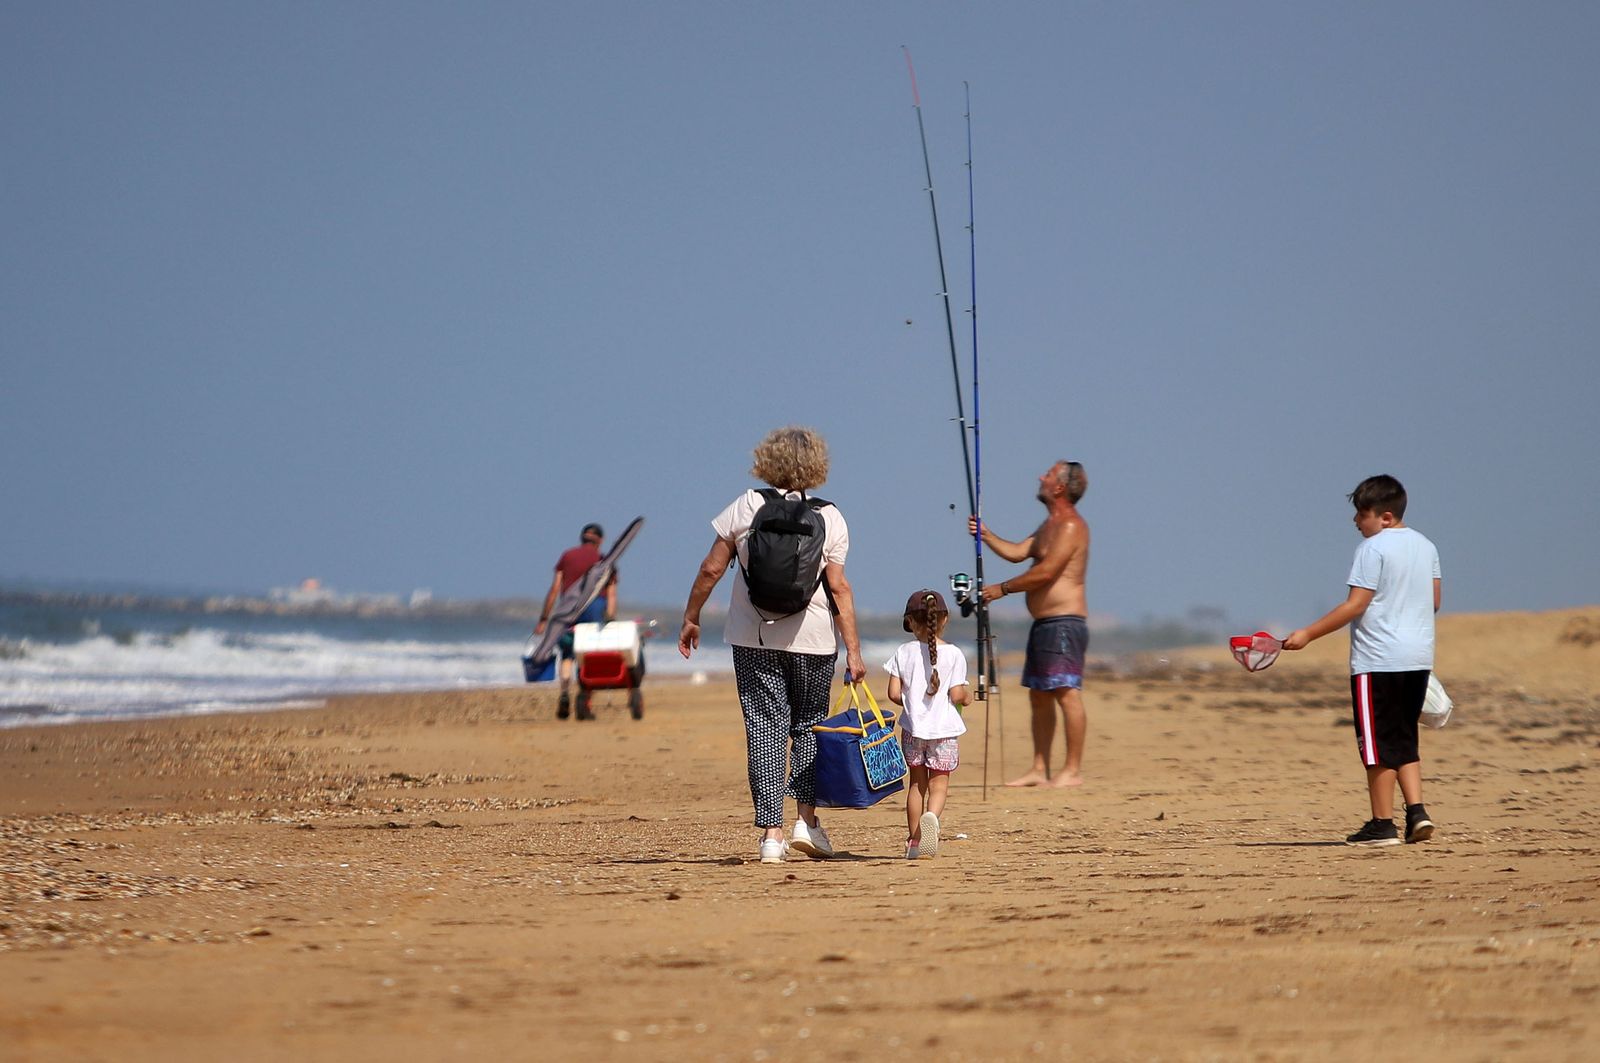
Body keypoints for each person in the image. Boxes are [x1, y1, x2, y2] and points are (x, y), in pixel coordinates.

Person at [679, 426, 866, 864]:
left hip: (752, 635)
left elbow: (711, 569)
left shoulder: (746, 505)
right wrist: (854, 651)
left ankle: (771, 836)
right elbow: (839, 589)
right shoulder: (831, 515)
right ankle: (806, 821)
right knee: (808, 728)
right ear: (817, 466)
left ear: (766, 460)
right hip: (814, 638)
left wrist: (691, 617)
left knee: (764, 729)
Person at [1284, 474, 1442, 847]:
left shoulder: (1373, 549)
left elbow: (1356, 604)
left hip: (1379, 659)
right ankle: (1417, 812)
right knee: (1403, 737)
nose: (1357, 522)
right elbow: (1434, 601)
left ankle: (1382, 824)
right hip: (1418, 656)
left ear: (1385, 516)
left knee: (1376, 747)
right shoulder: (1426, 546)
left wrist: (1307, 634)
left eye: (1362, 514)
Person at [970, 460, 1091, 788]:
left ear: (1060, 487)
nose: (1041, 476)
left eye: (1049, 474)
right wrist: (986, 534)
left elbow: (1046, 572)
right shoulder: (1047, 525)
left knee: (1066, 692)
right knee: (1039, 694)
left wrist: (1001, 589)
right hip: (1044, 625)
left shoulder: (1070, 526)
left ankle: (1072, 770)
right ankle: (1039, 767)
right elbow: (1018, 552)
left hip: (1064, 623)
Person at [885, 590, 970, 859]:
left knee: (916, 786)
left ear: (910, 621)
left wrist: (912, 702)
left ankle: (913, 842)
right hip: (944, 732)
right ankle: (931, 816)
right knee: (939, 787)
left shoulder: (903, 652)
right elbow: (956, 695)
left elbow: (893, 694)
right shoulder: (954, 654)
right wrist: (966, 698)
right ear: (943, 620)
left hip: (913, 730)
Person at [535, 522, 617, 721]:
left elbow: (555, 589)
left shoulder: (567, 556)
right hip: (595, 608)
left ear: (582, 538)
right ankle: (584, 702)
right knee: (589, 656)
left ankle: (564, 692)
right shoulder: (604, 560)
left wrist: (544, 619)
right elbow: (612, 596)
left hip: (568, 609)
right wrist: (610, 619)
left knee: (567, 653)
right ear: (601, 541)